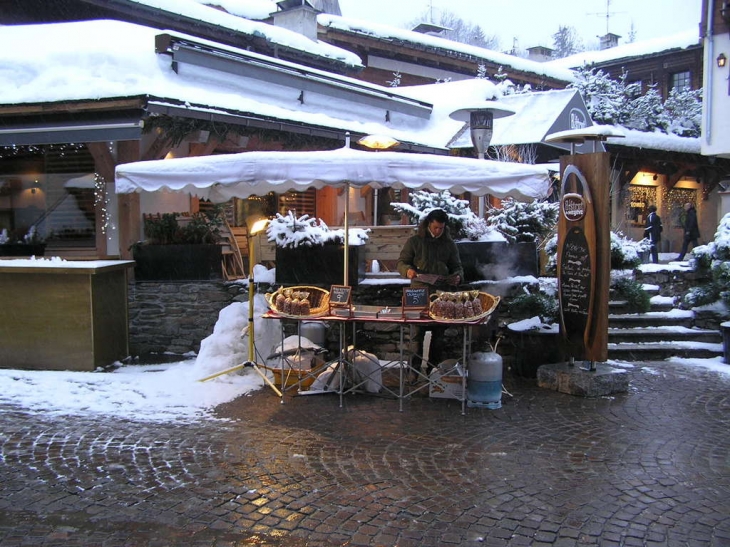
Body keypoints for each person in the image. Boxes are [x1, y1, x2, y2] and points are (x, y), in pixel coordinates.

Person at [397, 209, 463, 376]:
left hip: (441, 294)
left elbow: (457, 266)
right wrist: (408, 271)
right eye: (435, 227)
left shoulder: (449, 244)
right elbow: (402, 262)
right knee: (416, 337)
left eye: (441, 228)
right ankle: (413, 373)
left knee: (438, 338)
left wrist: (457, 277)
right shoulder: (414, 241)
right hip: (418, 292)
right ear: (428, 224)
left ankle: (434, 373)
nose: (438, 231)